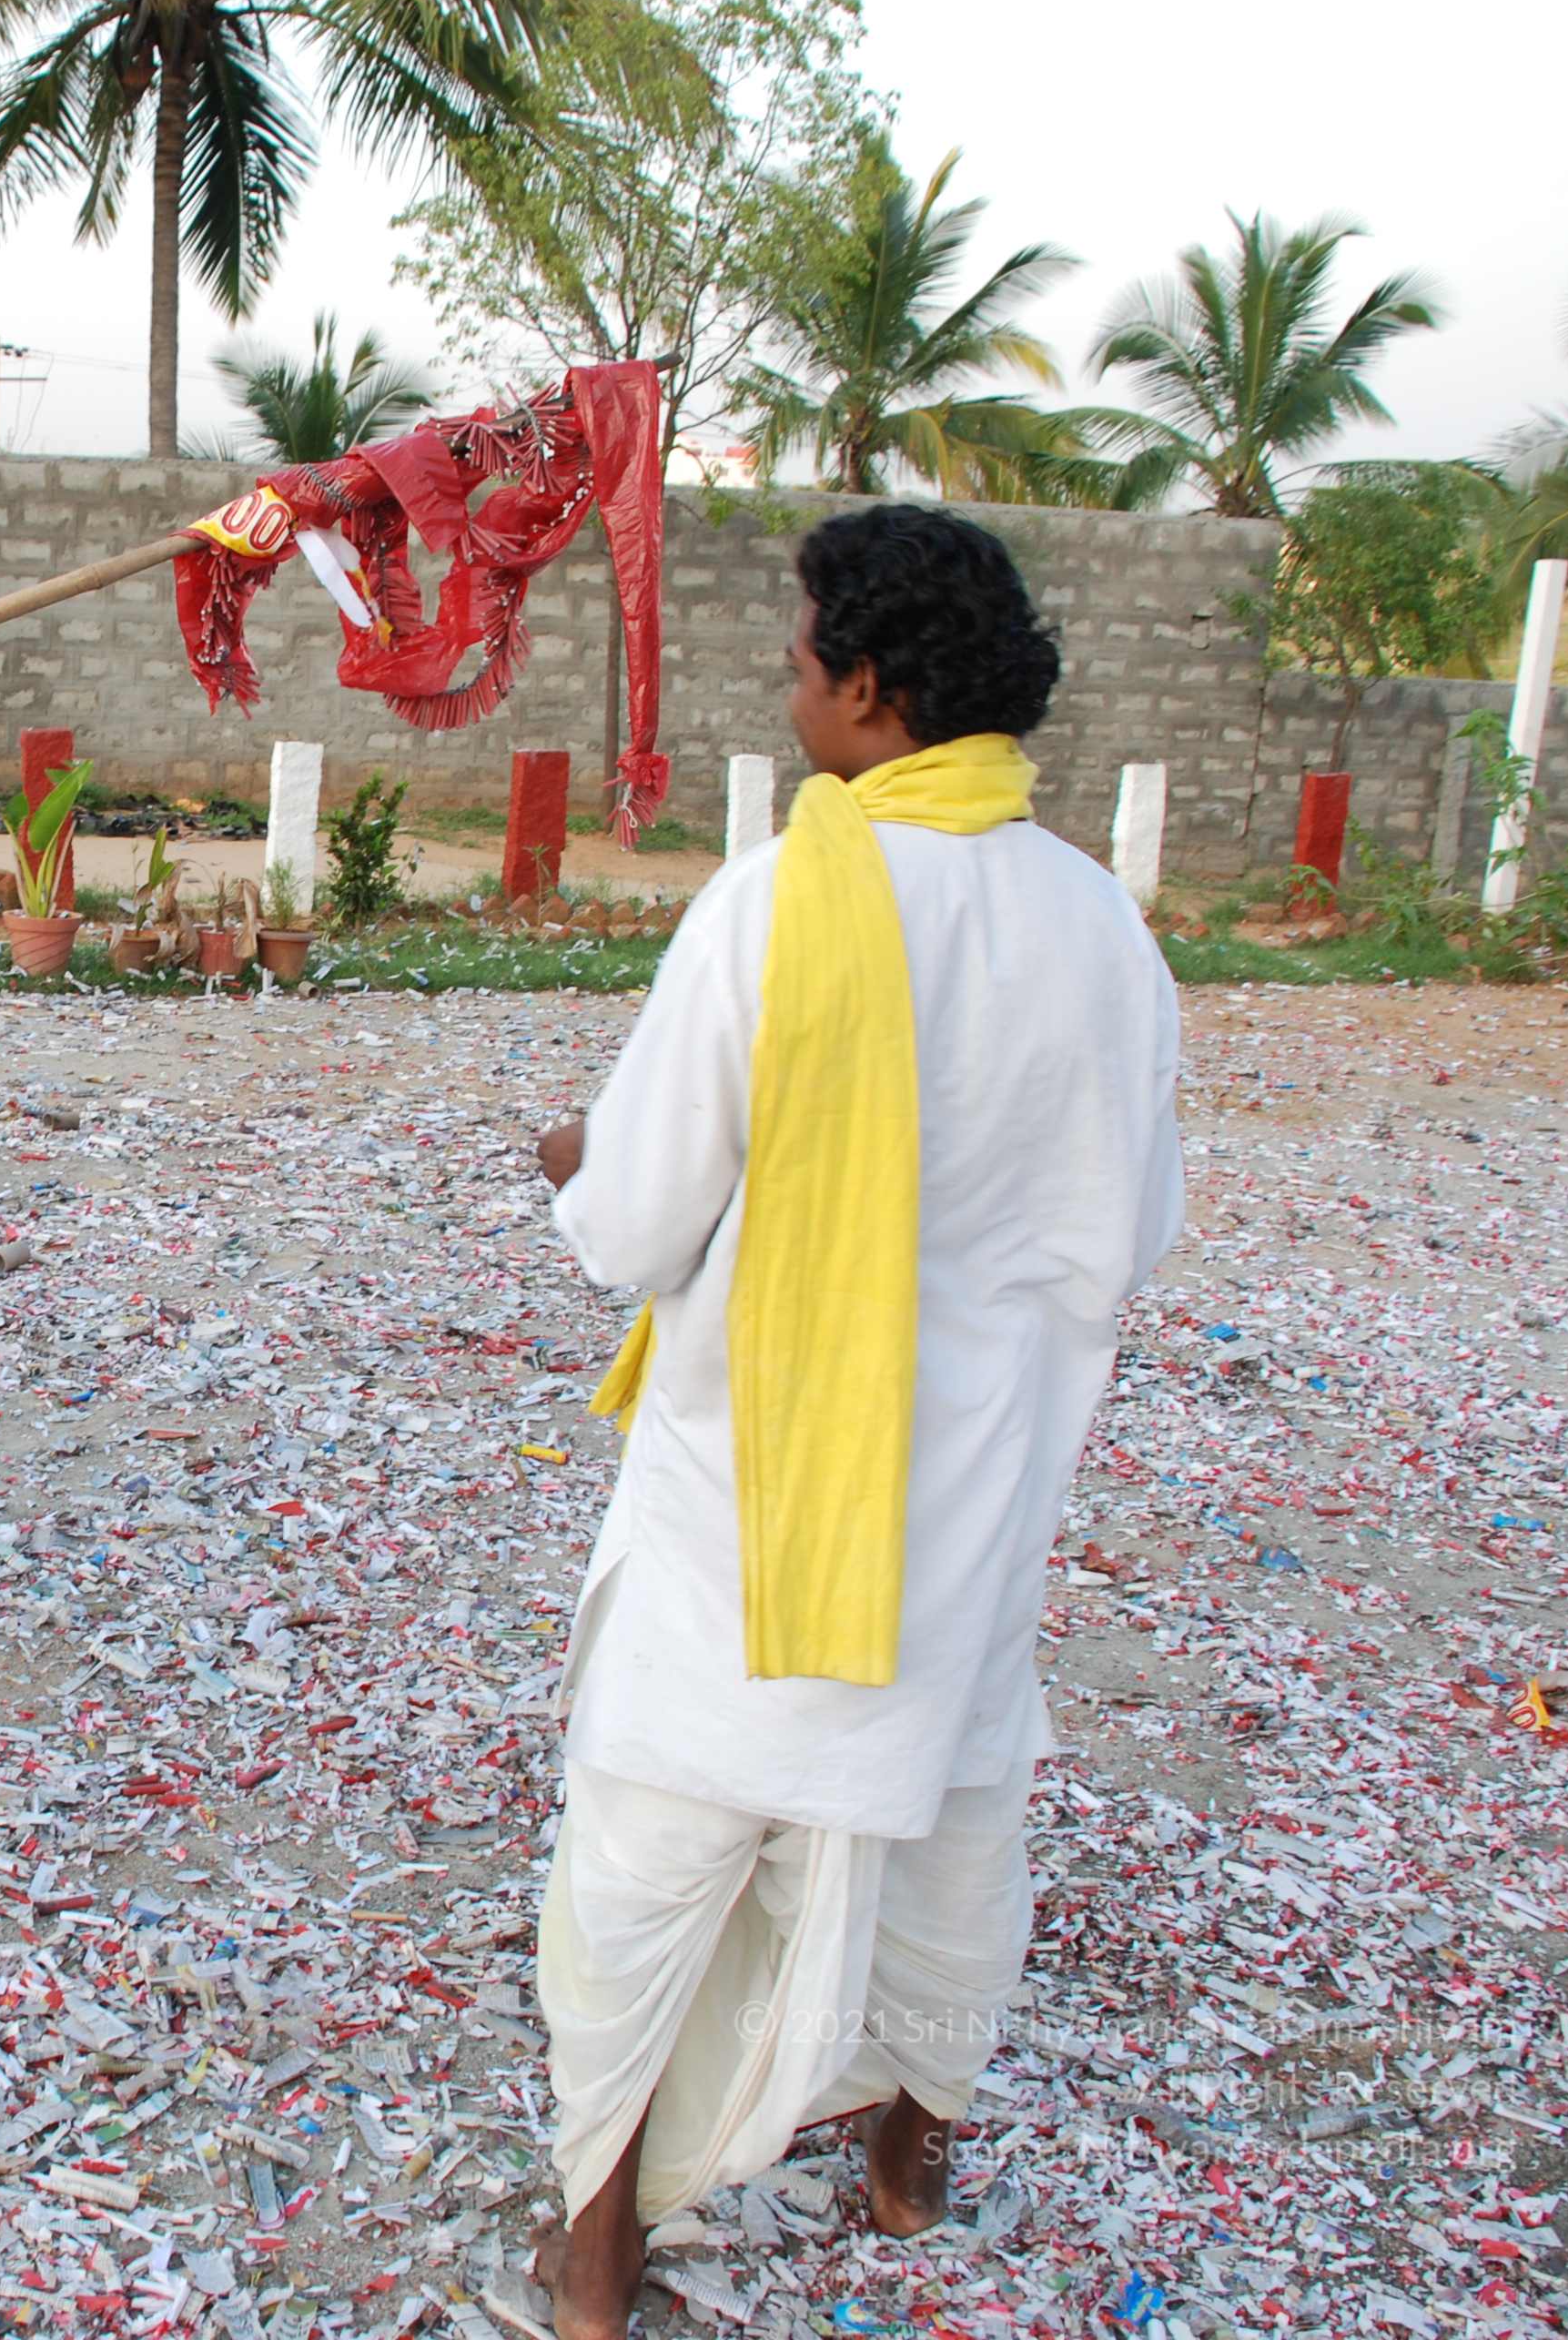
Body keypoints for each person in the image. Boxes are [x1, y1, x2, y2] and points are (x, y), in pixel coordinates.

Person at [525, 504, 1183, 2336]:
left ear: (873, 688)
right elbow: (1124, 1230)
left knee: (652, 1859)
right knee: (948, 1827)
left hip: (753, 1501)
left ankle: (598, 2254)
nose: (787, 689)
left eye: (801, 659)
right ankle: (907, 2157)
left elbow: (637, 1222)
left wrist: (573, 1157)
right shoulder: (1096, 924)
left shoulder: (770, 904)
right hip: (976, 1496)